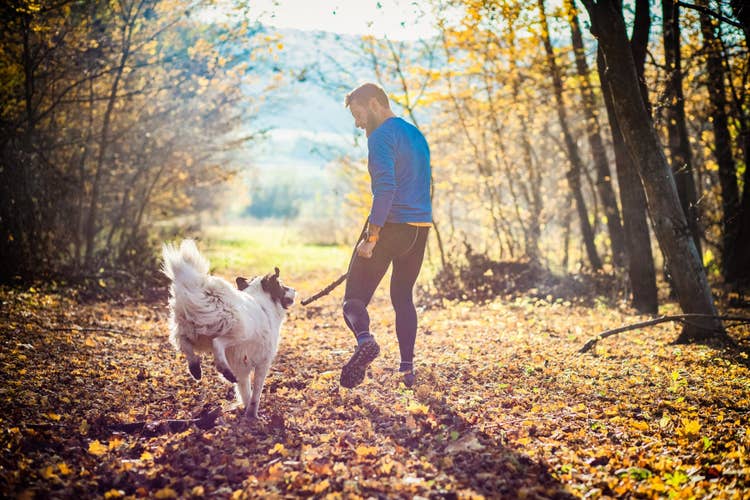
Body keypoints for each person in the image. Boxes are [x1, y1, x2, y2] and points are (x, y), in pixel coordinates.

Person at [339, 82, 432, 389]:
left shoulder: (381, 137)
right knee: (403, 297)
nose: (357, 123)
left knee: (353, 301)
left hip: (391, 225)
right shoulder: (415, 134)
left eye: (358, 113)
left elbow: (386, 188)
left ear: (375, 103)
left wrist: (372, 235)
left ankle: (365, 341)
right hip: (420, 229)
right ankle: (407, 369)